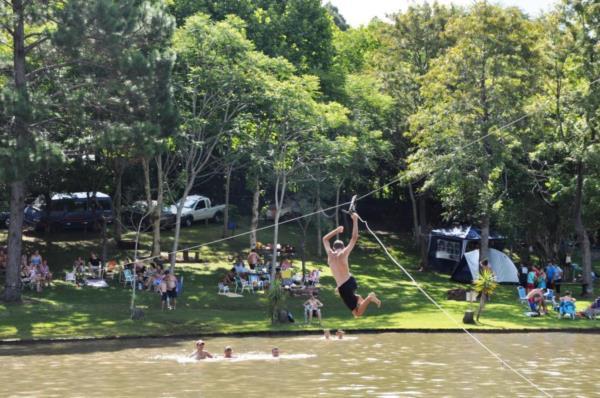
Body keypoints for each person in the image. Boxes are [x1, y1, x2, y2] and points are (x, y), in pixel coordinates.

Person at [322, 212, 381, 318]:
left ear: (334, 248)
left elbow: (325, 239)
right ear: (343, 246)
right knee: (353, 297)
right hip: (350, 281)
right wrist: (355, 220)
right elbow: (354, 238)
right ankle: (360, 299)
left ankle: (370, 297)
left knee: (357, 314)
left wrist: (337, 230)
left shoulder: (330, 255)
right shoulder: (344, 253)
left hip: (344, 287)